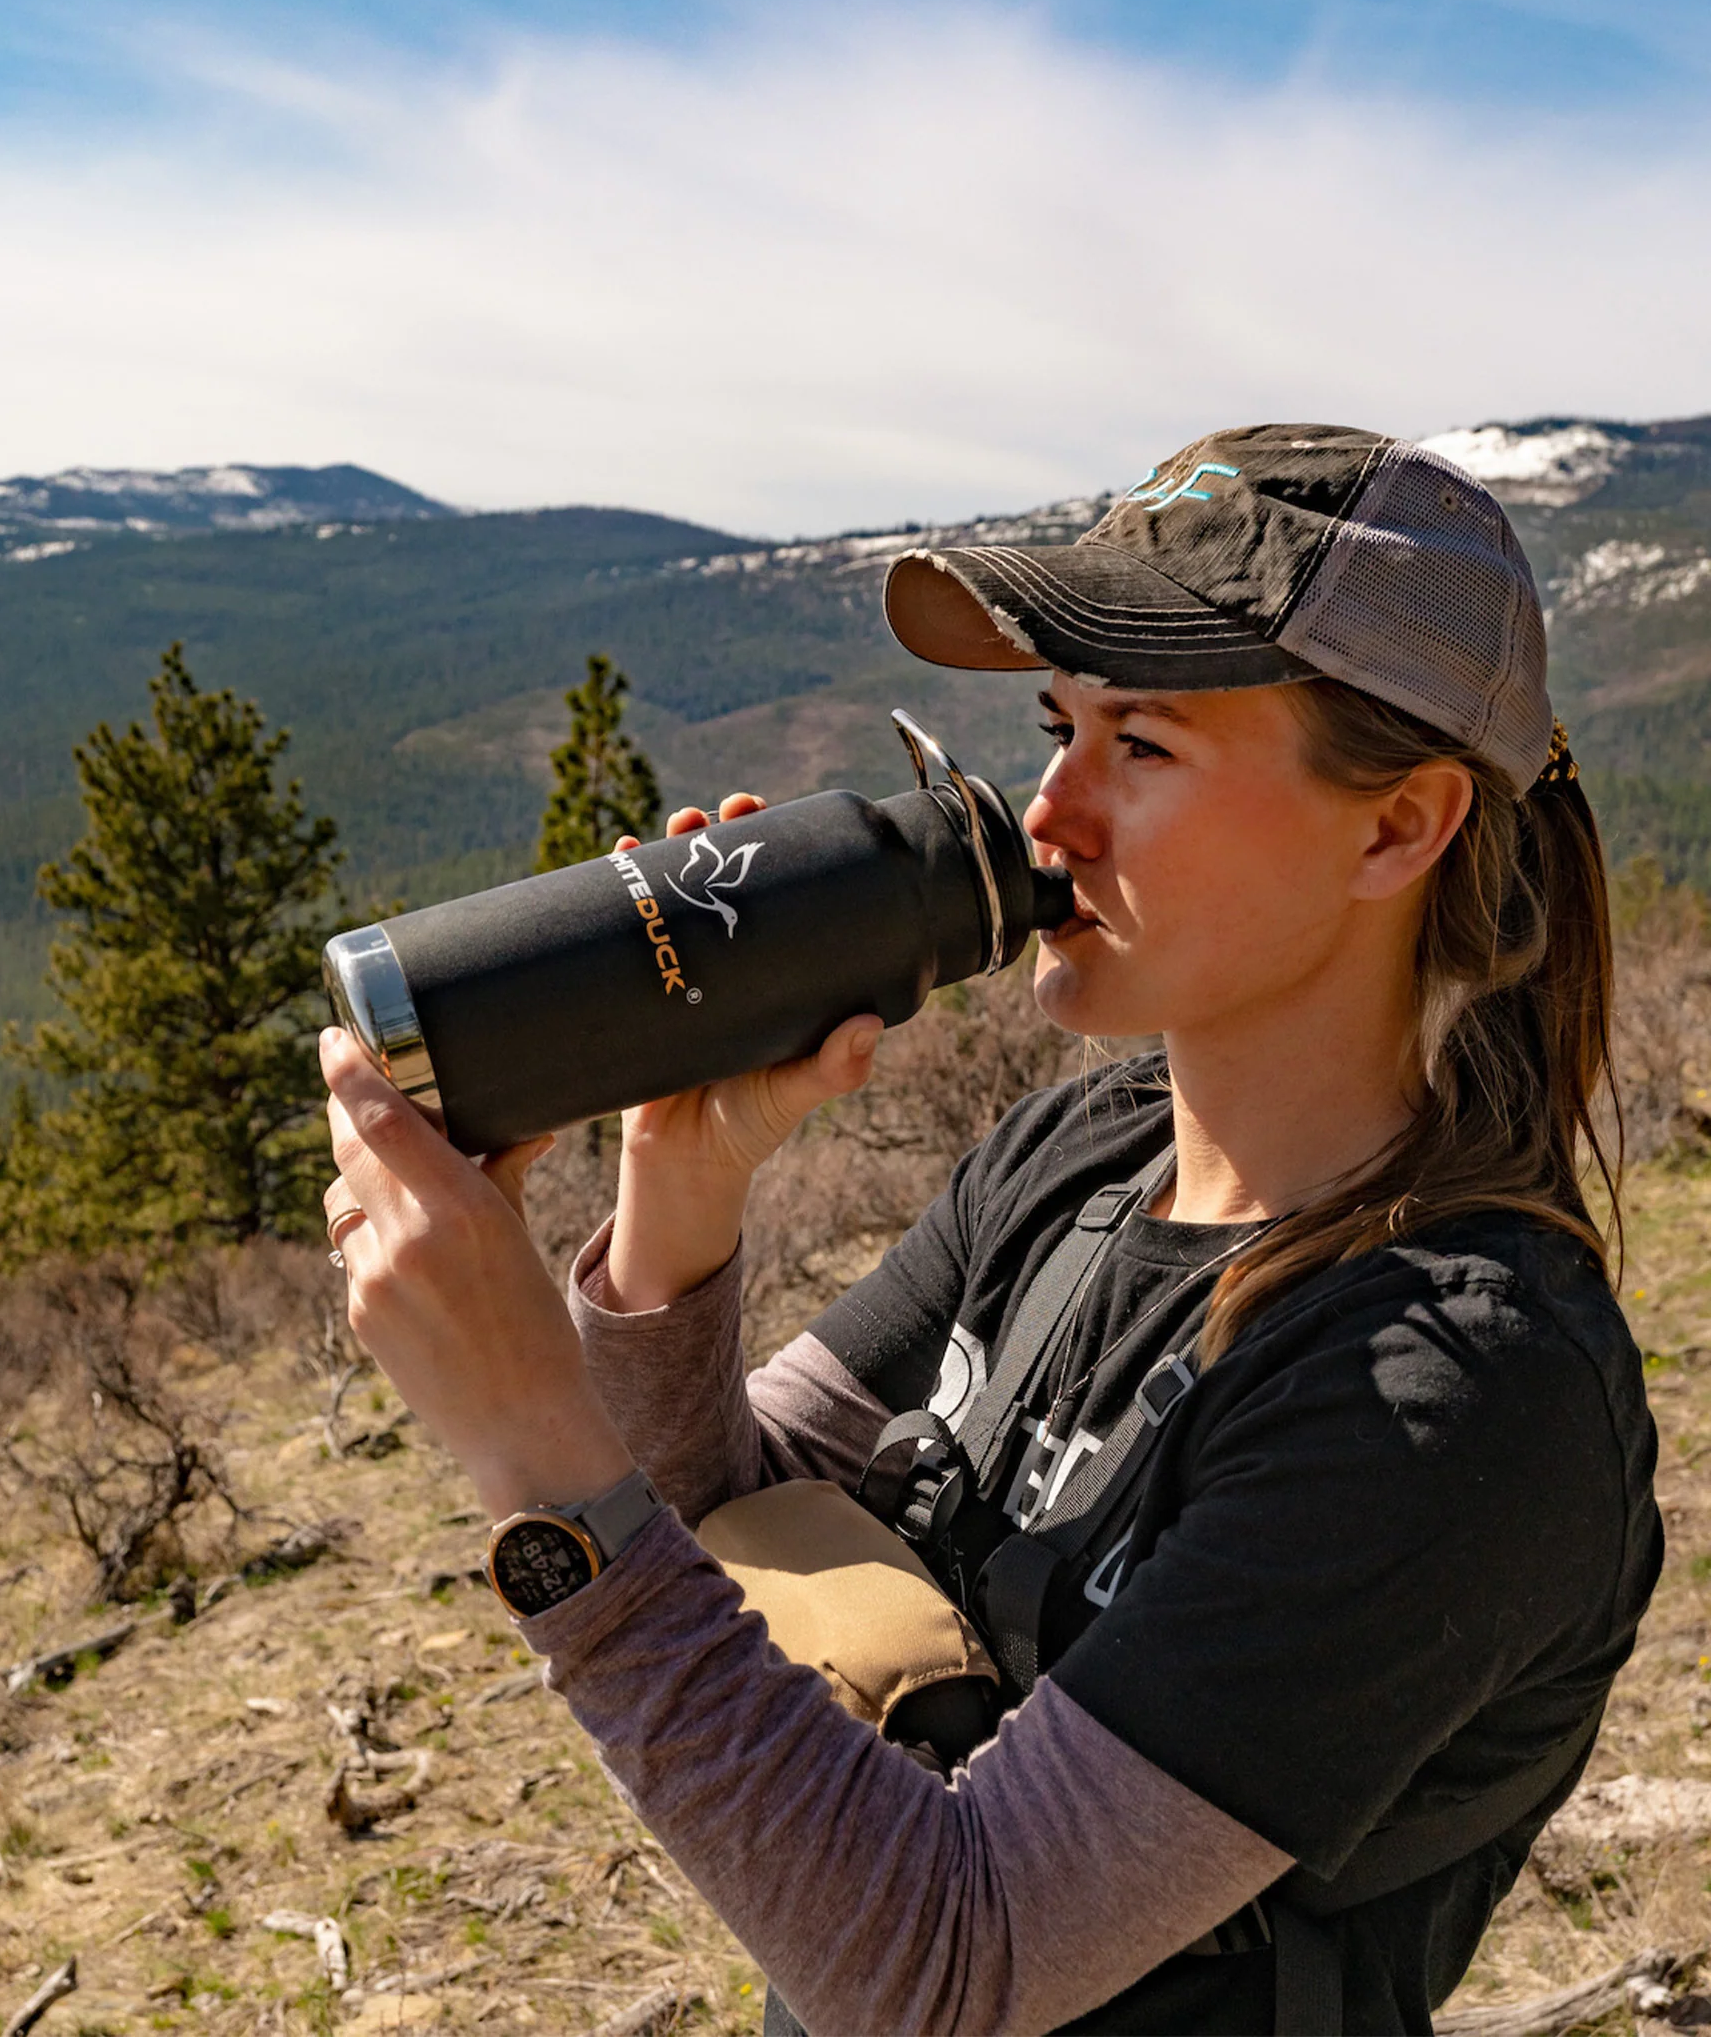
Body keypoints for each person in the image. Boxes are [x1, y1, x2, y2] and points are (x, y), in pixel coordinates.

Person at [318, 423, 1662, 2035]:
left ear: (1396, 830)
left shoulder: (1449, 1389)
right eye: (1056, 727)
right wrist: (676, 1206)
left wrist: (536, 1444)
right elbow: (725, 1530)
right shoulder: (1083, 1158)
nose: (1049, 813)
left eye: (1142, 749)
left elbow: (956, 1964)